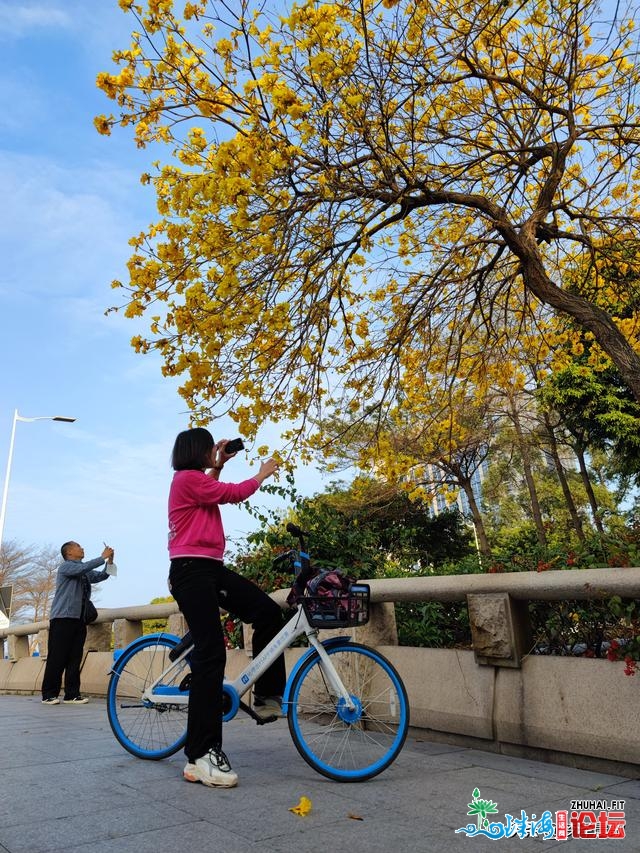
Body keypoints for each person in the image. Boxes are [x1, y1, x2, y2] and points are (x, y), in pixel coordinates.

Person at [168, 427, 284, 789]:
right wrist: (261, 474)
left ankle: (266, 695)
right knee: (212, 654)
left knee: (268, 613)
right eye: (209, 448)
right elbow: (230, 495)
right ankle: (200, 756)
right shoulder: (185, 479)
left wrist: (218, 466)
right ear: (197, 451)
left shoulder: (196, 481)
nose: (213, 452)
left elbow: (212, 491)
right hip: (190, 571)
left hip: (211, 570)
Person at [41, 541, 114, 705]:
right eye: (78, 546)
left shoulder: (83, 571)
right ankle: (49, 694)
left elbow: (102, 576)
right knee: (57, 657)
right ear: (69, 553)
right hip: (62, 619)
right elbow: (82, 568)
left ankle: (72, 694)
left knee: (75, 657)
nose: (82, 548)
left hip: (79, 619)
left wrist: (109, 562)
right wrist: (102, 557)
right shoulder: (66, 567)